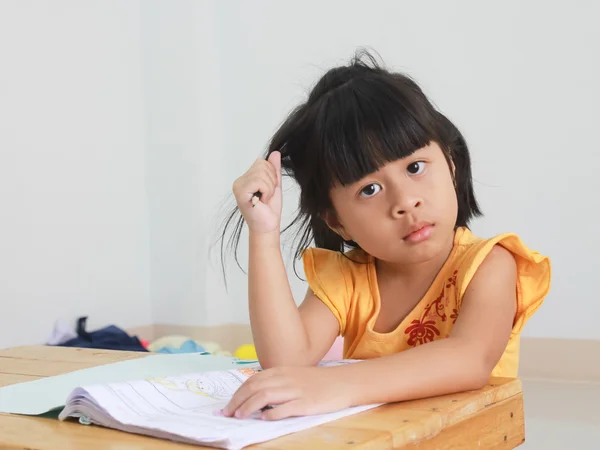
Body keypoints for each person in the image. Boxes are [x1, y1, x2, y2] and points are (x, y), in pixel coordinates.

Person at [218, 50, 551, 421]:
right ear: (338, 222)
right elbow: (286, 362)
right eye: (369, 190)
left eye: (415, 167)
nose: (406, 201)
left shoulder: (489, 264)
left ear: (451, 165)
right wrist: (263, 234)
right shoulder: (348, 279)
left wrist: (337, 385)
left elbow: (469, 359)